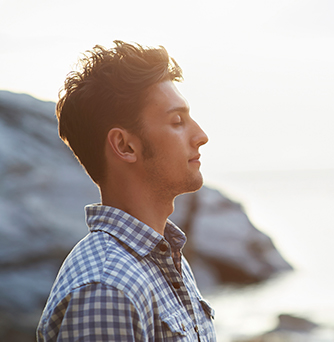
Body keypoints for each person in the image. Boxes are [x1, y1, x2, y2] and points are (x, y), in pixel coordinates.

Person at [37, 40, 216, 341]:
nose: (201, 136)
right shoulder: (106, 289)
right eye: (177, 121)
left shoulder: (167, 262)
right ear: (124, 146)